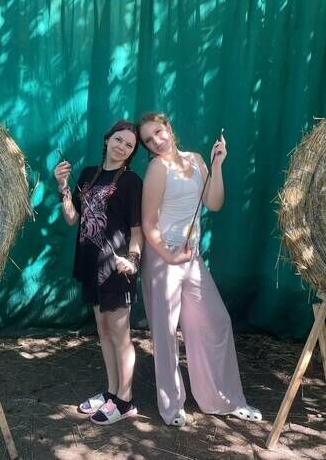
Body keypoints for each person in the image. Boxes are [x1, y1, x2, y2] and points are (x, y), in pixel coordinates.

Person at [137, 112, 261, 427]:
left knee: (216, 321)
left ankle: (221, 399)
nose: (156, 141)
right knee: (165, 333)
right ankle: (171, 406)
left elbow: (214, 203)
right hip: (163, 257)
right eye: (148, 140)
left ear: (168, 127)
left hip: (190, 257)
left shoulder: (196, 160)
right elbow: (149, 224)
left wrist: (217, 165)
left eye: (158, 132)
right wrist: (168, 256)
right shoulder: (157, 169)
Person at [53, 119, 143, 425]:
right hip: (90, 263)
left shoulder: (131, 182)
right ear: (107, 139)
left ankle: (125, 401)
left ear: (132, 152)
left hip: (116, 268)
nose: (122, 147)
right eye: (119, 140)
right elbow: (72, 219)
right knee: (103, 331)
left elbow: (137, 231)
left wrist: (132, 261)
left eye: (129, 145)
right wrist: (63, 187)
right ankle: (111, 392)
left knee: (120, 336)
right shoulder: (88, 174)